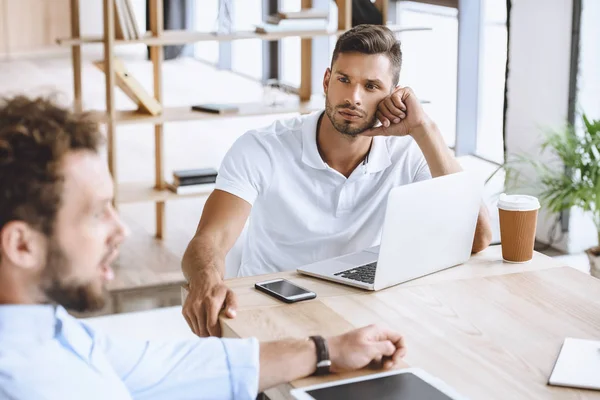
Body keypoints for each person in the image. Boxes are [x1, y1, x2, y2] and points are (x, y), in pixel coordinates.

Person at [0, 95, 407, 399]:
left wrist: (326, 349)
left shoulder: (45, 326)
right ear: (21, 245)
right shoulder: (24, 381)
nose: (120, 230)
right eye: (95, 213)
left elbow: (154, 367)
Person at [182, 24, 493, 337]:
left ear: (393, 97)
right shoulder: (261, 147)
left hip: (364, 307)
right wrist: (207, 277)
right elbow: (211, 239)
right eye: (344, 80)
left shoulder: (409, 150)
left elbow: (477, 238)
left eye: (371, 86)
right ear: (327, 81)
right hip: (272, 307)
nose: (353, 98)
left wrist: (424, 129)